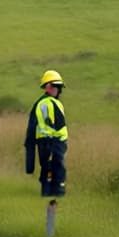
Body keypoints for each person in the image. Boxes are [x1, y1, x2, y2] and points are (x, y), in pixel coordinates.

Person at [25, 69, 68, 199]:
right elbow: (34, 127)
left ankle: (51, 194)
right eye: (56, 86)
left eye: (59, 87)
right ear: (48, 87)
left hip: (50, 143)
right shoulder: (47, 103)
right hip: (51, 142)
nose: (58, 90)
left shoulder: (46, 103)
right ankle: (54, 194)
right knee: (54, 169)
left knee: (50, 168)